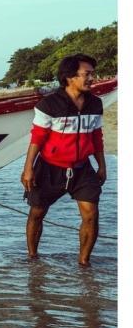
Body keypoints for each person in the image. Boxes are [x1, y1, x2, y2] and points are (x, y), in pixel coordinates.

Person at [21, 53, 106, 267]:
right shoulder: (48, 105)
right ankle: (33, 259)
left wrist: (102, 166)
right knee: (37, 212)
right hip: (49, 167)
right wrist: (28, 169)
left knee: (91, 215)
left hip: (82, 169)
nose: (91, 79)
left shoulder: (95, 104)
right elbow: (37, 138)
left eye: (92, 74)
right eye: (87, 74)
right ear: (70, 77)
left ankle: (84, 264)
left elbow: (97, 137)